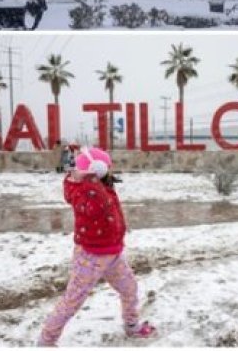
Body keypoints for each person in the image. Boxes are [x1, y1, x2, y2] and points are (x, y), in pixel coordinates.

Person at [38, 147, 155, 346]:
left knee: (129, 289)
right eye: (106, 167)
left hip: (113, 254)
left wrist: (89, 177)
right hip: (90, 257)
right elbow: (96, 207)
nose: (110, 171)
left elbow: (96, 194)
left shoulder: (94, 185)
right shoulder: (87, 192)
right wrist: (89, 179)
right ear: (97, 169)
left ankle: (131, 326)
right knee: (72, 301)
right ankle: (46, 341)